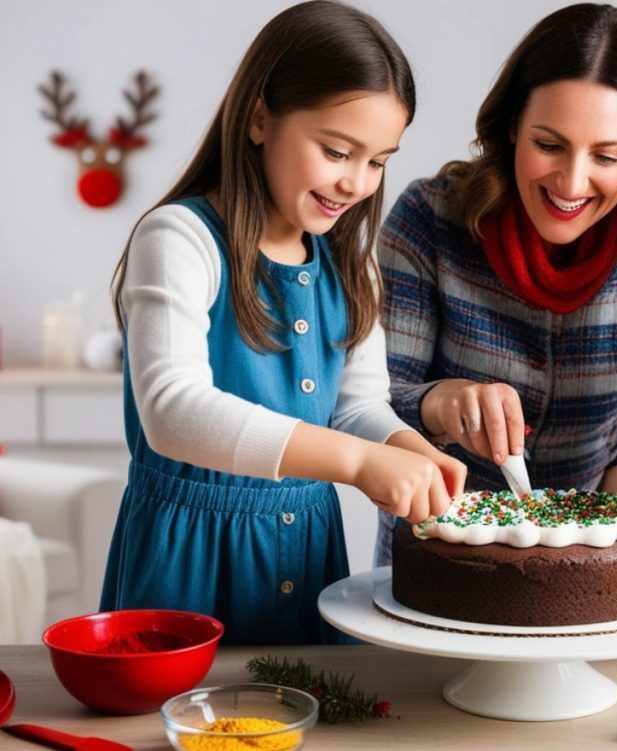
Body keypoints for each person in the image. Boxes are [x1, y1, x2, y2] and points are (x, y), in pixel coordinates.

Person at [102, 0, 466, 645]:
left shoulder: (353, 267)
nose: (356, 181)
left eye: (378, 160)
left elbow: (356, 409)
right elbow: (172, 410)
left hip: (307, 553)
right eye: (336, 150)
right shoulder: (181, 238)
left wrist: (407, 449)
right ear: (260, 117)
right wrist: (355, 463)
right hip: (186, 563)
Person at [374, 3, 617, 564]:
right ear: (511, 127)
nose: (571, 181)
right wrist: (442, 403)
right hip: (438, 559)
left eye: (606, 155)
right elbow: (368, 410)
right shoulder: (429, 220)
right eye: (549, 145)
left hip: (588, 565)